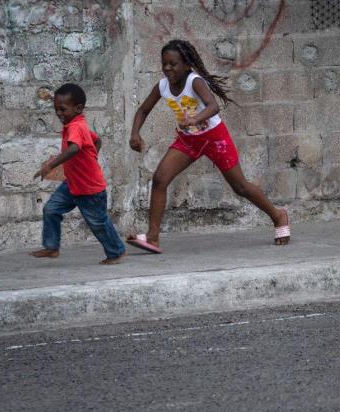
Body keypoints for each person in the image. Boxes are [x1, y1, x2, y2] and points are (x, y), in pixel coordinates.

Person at [127, 39, 290, 253]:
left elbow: (213, 106)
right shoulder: (163, 86)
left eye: (173, 64)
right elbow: (143, 110)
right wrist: (135, 133)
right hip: (188, 141)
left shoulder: (194, 81)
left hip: (215, 139)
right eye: (164, 63)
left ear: (186, 65)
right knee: (159, 179)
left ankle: (278, 215)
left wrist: (194, 120)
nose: (167, 68)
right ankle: (153, 237)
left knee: (240, 187)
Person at [30, 83, 127, 265]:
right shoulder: (75, 125)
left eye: (62, 109)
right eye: (56, 109)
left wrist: (50, 165)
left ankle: (116, 251)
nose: (58, 113)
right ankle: (52, 247)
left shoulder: (76, 127)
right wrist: (91, 158)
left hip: (90, 190)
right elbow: (97, 141)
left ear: (78, 108)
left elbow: (74, 148)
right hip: (73, 184)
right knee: (51, 209)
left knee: (98, 223)